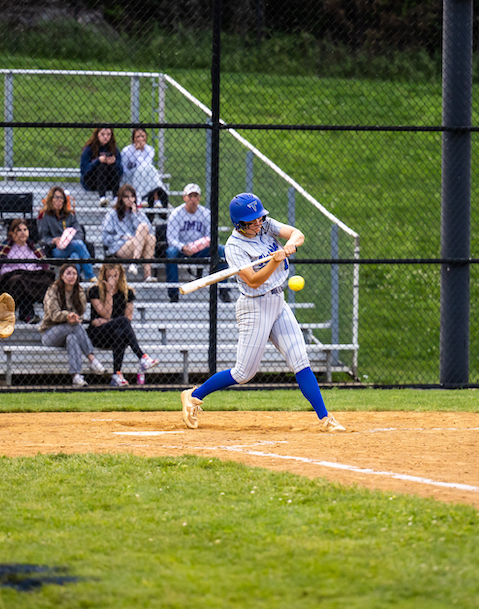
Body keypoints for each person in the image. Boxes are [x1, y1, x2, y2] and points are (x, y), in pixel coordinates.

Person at [179, 193, 345, 432]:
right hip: (254, 307)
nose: (258, 223)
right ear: (240, 223)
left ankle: (325, 418)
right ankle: (193, 396)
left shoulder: (265, 225)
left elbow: (297, 234)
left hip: (278, 302)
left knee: (301, 361)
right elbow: (254, 280)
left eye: (259, 218)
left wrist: (289, 246)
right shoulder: (234, 248)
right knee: (243, 373)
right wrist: (274, 262)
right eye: (252, 221)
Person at [86, 262, 159, 386]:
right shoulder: (94, 290)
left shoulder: (127, 292)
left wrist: (109, 321)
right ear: (103, 276)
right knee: (122, 322)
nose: (112, 280)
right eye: (109, 276)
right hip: (98, 334)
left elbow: (128, 318)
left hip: (116, 333)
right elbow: (107, 314)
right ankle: (142, 356)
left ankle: (117, 374)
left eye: (115, 276)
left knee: (120, 331)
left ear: (120, 276)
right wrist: (109, 292)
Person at [39, 263, 107, 387]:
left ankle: (76, 376)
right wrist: (67, 316)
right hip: (50, 333)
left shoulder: (79, 290)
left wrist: (74, 317)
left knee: (72, 337)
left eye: (74, 273)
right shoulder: (53, 290)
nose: (72, 276)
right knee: (74, 327)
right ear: (62, 276)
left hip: (70, 332)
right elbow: (54, 314)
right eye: (68, 273)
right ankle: (92, 359)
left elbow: (81, 313)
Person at [165, 183, 230, 303]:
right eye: (190, 196)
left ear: (199, 198)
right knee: (170, 252)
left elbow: (211, 236)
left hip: (201, 249)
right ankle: (173, 294)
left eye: (195, 196)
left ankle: (224, 290)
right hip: (182, 249)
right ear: (184, 197)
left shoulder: (205, 213)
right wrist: (183, 247)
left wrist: (198, 246)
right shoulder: (176, 214)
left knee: (221, 250)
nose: (193, 199)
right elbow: (171, 238)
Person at [0, 218, 55, 324]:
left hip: (31, 278)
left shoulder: (34, 249)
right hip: (12, 281)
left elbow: (41, 266)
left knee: (46, 280)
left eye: (25, 229)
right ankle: (27, 314)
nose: (23, 233)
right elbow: (1, 270)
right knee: (19, 282)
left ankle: (50, 314)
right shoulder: (4, 249)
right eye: (19, 230)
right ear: (12, 233)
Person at [36, 186, 95, 281]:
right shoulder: (45, 216)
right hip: (57, 250)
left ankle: (75, 281)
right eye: (56, 197)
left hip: (72, 245)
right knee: (78, 245)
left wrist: (69, 239)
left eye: (61, 198)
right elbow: (43, 236)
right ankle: (90, 275)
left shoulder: (70, 215)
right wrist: (54, 240)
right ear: (51, 200)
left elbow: (79, 232)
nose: (59, 200)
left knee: (75, 256)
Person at [101, 184, 157, 282]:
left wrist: (135, 215)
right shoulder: (112, 214)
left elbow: (149, 231)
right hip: (121, 246)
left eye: (132, 196)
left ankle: (146, 275)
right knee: (143, 228)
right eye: (126, 197)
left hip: (138, 246)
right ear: (121, 198)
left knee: (150, 237)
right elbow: (105, 238)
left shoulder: (138, 213)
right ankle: (135, 263)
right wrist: (123, 237)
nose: (130, 199)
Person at [120, 128, 168, 208]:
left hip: (145, 175)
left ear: (146, 137)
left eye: (143, 136)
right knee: (147, 169)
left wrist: (138, 153)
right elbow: (124, 170)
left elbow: (145, 164)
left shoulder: (150, 150)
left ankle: (143, 198)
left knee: (147, 168)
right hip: (129, 177)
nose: (140, 139)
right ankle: (154, 198)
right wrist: (137, 151)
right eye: (138, 137)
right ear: (133, 138)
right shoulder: (126, 150)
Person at [79, 127, 123, 207]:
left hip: (109, 182)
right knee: (102, 165)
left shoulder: (114, 149)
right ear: (97, 135)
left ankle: (116, 198)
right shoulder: (89, 149)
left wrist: (114, 162)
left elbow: (120, 171)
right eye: (102, 134)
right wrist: (98, 160)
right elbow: (84, 170)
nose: (105, 137)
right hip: (91, 181)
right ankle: (102, 197)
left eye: (108, 134)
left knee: (111, 165)